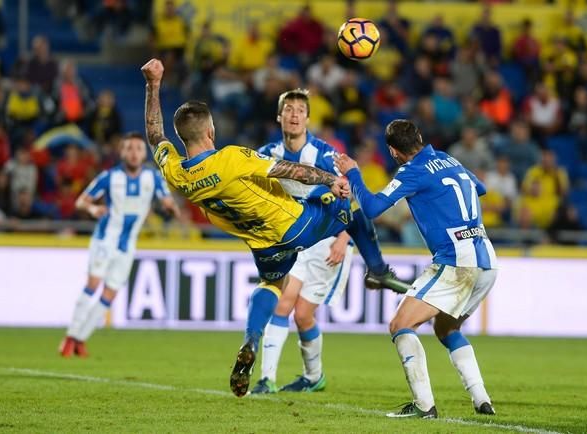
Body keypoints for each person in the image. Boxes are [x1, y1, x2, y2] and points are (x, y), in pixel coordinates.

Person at [141, 58, 408, 397]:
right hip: (295, 225)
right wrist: (332, 181)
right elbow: (290, 171)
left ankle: (251, 340)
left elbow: (154, 134)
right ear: (211, 131)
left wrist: (153, 85)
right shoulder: (232, 158)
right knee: (352, 209)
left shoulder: (174, 171)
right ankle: (378, 270)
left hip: (260, 243)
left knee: (271, 283)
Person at [334, 119, 498, 418]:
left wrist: (353, 172)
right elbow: (481, 188)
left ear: (394, 152)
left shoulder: (412, 171)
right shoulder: (448, 157)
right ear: (420, 138)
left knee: (400, 324)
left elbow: (370, 209)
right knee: (447, 328)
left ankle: (424, 406)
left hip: (456, 261)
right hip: (487, 260)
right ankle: (482, 399)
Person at [251, 89, 354, 394]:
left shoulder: (324, 154)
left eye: (300, 110)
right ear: (279, 116)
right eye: (289, 109)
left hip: (327, 240)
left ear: (308, 118)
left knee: (303, 314)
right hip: (293, 241)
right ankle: (266, 379)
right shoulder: (267, 155)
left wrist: (344, 236)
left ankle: (314, 376)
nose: (294, 115)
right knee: (283, 303)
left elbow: (352, 193)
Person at [59, 132, 181, 358]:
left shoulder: (153, 178)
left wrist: (171, 207)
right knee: (93, 285)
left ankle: (80, 339)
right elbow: (81, 201)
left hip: (128, 245)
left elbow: (167, 200)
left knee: (110, 294)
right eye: (129, 148)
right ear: (122, 152)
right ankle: (70, 336)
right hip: (105, 240)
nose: (134, 153)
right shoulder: (108, 177)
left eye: (138, 148)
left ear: (144, 153)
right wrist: (94, 209)